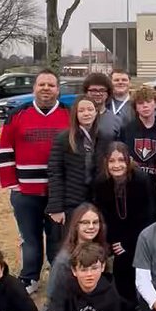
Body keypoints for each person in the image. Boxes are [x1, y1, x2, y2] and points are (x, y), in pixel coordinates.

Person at [0, 69, 69, 294]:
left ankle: (58, 277)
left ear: (58, 89)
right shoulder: (18, 114)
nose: (46, 88)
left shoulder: (69, 114)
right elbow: (5, 149)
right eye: (42, 84)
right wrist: (13, 184)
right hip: (25, 192)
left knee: (57, 238)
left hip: (58, 192)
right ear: (34, 88)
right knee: (30, 238)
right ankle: (30, 277)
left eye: (51, 85)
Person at [93, 143, 156, 311]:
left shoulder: (141, 180)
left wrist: (128, 243)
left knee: (132, 264)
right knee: (120, 268)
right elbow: (104, 216)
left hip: (140, 235)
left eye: (121, 160)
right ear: (106, 162)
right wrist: (114, 242)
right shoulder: (101, 183)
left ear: (128, 160)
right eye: (112, 161)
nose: (117, 165)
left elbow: (148, 216)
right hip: (116, 237)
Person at [47, 95, 100, 224]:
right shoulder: (64, 138)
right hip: (71, 203)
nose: (86, 113)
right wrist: (56, 208)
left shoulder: (103, 137)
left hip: (96, 202)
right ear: (75, 114)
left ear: (96, 112)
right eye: (81, 110)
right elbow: (55, 173)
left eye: (90, 109)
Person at [47, 202, 108, 301]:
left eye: (95, 222)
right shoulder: (64, 259)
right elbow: (52, 294)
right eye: (85, 222)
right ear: (76, 225)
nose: (91, 227)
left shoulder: (102, 249)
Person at [121, 84, 156, 189]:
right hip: (133, 183)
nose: (145, 106)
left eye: (148, 102)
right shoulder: (127, 129)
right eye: (140, 103)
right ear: (135, 107)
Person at [82, 72, 123, 146]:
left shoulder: (116, 121)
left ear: (108, 93)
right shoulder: (76, 117)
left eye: (102, 90)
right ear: (86, 92)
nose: (98, 94)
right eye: (94, 90)